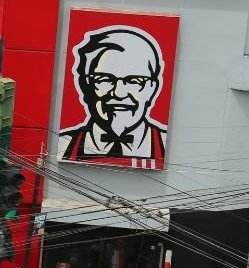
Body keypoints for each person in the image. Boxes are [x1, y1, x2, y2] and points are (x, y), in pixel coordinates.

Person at [57, 27, 168, 168]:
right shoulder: (62, 144)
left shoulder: (167, 145)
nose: (119, 93)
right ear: (84, 85)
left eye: (134, 81)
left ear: (152, 88)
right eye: (104, 79)